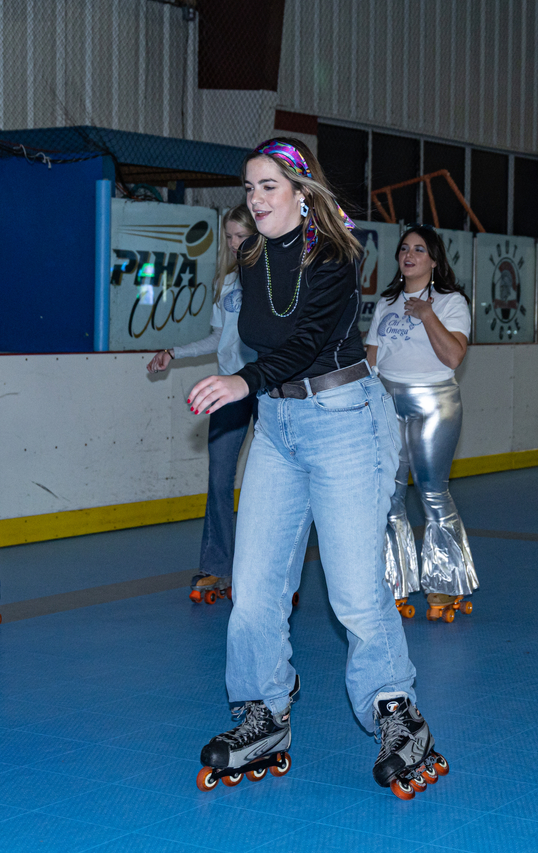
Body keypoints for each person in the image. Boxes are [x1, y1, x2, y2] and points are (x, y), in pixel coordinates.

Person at [187, 139, 444, 800]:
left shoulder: (339, 254)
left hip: (343, 421)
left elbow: (304, 343)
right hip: (277, 425)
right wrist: (251, 386)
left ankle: (399, 713)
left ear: (303, 194)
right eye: (249, 187)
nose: (257, 198)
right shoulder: (248, 257)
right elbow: (264, 337)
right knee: (254, 586)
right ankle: (263, 712)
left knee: (355, 591)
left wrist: (240, 381)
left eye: (270, 186)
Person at [365, 225, 476, 622]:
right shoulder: (387, 302)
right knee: (389, 496)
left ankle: (445, 584)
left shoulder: (450, 302)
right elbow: (371, 360)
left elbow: (453, 358)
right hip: (388, 401)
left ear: (433, 260)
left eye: (419, 249)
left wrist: (428, 314)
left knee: (431, 492)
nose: (409, 255)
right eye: (404, 249)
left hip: (434, 403)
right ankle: (393, 581)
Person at [147, 205, 257, 603]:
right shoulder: (228, 283)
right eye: (229, 237)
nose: (233, 244)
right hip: (229, 389)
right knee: (218, 478)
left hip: (266, 389)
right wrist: (173, 352)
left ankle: (267, 569)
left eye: (241, 236)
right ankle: (217, 566)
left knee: (270, 483)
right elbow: (218, 339)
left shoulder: (275, 280)